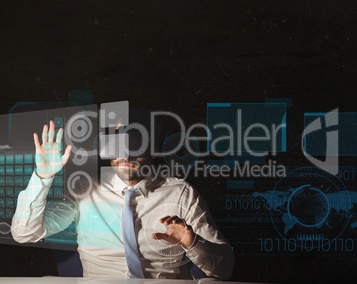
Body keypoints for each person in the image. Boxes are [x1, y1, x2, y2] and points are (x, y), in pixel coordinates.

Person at [11, 110, 234, 279]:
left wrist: (191, 241)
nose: (126, 152)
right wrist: (42, 178)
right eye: (117, 141)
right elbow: (24, 233)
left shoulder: (180, 194)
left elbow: (223, 269)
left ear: (152, 148)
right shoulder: (84, 191)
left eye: (135, 140)